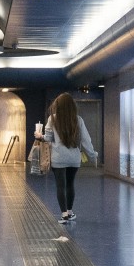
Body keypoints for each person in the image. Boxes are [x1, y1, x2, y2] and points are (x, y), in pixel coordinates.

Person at [43, 93, 98, 222]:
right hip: (74, 159)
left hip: (58, 158)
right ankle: (70, 211)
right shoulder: (78, 119)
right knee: (70, 185)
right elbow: (86, 140)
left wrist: (40, 135)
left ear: (58, 106)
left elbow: (48, 138)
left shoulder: (53, 119)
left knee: (60, 186)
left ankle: (64, 214)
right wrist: (92, 155)